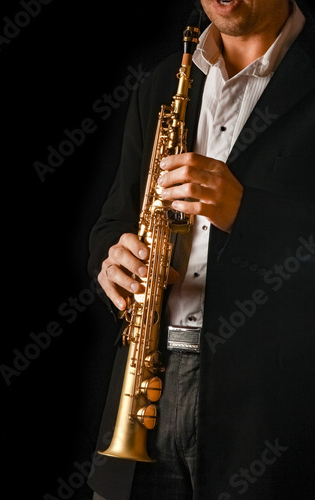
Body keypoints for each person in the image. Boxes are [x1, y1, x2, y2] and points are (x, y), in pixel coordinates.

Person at [87, 0, 315, 498]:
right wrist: (112, 261)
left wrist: (246, 213)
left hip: (271, 414)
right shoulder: (165, 80)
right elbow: (113, 221)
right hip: (145, 386)